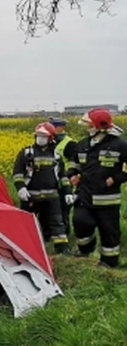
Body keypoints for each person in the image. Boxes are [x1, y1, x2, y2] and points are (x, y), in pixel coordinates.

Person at [65, 108, 127, 267]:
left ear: (99, 126)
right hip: (84, 194)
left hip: (107, 199)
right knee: (80, 221)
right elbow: (75, 162)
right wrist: (72, 173)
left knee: (109, 232)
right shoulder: (83, 144)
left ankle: (109, 262)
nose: (87, 128)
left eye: (90, 125)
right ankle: (85, 250)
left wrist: (116, 179)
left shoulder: (119, 145)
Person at [12, 122, 73, 255]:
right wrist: (21, 188)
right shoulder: (27, 153)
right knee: (26, 225)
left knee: (57, 223)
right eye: (38, 135)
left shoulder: (56, 155)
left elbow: (62, 175)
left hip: (52, 197)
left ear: (50, 138)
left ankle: (63, 251)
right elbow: (18, 173)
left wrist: (68, 192)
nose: (40, 138)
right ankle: (24, 250)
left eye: (43, 136)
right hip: (31, 197)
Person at [50, 116, 77, 235]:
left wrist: (68, 176)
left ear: (62, 128)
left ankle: (65, 235)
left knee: (63, 211)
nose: (53, 129)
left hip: (64, 182)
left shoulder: (69, 143)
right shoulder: (50, 141)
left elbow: (74, 163)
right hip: (51, 182)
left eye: (55, 127)